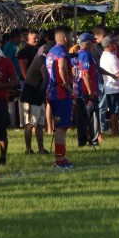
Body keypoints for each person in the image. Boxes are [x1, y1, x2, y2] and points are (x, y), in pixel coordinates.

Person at [44, 26, 75, 169]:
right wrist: (67, 85)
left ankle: (61, 157)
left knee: (59, 127)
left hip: (53, 92)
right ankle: (60, 159)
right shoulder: (62, 51)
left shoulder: (51, 52)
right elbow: (62, 67)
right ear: (66, 38)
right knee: (61, 128)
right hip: (61, 93)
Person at [0, 43, 19, 165]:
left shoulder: (6, 62)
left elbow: (15, 81)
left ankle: (3, 157)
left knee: (1, 132)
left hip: (0, 101)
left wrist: (0, 86)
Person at [19, 35, 48, 154]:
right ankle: (28, 149)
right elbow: (45, 74)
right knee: (30, 123)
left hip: (39, 96)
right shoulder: (41, 61)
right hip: (31, 97)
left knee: (40, 124)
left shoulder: (44, 60)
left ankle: (41, 149)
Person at [98, 38, 119, 139]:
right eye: (114, 43)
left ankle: (115, 130)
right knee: (115, 111)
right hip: (115, 86)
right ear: (109, 45)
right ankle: (115, 132)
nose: (115, 45)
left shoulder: (104, 56)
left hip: (110, 86)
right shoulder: (111, 58)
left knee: (115, 110)